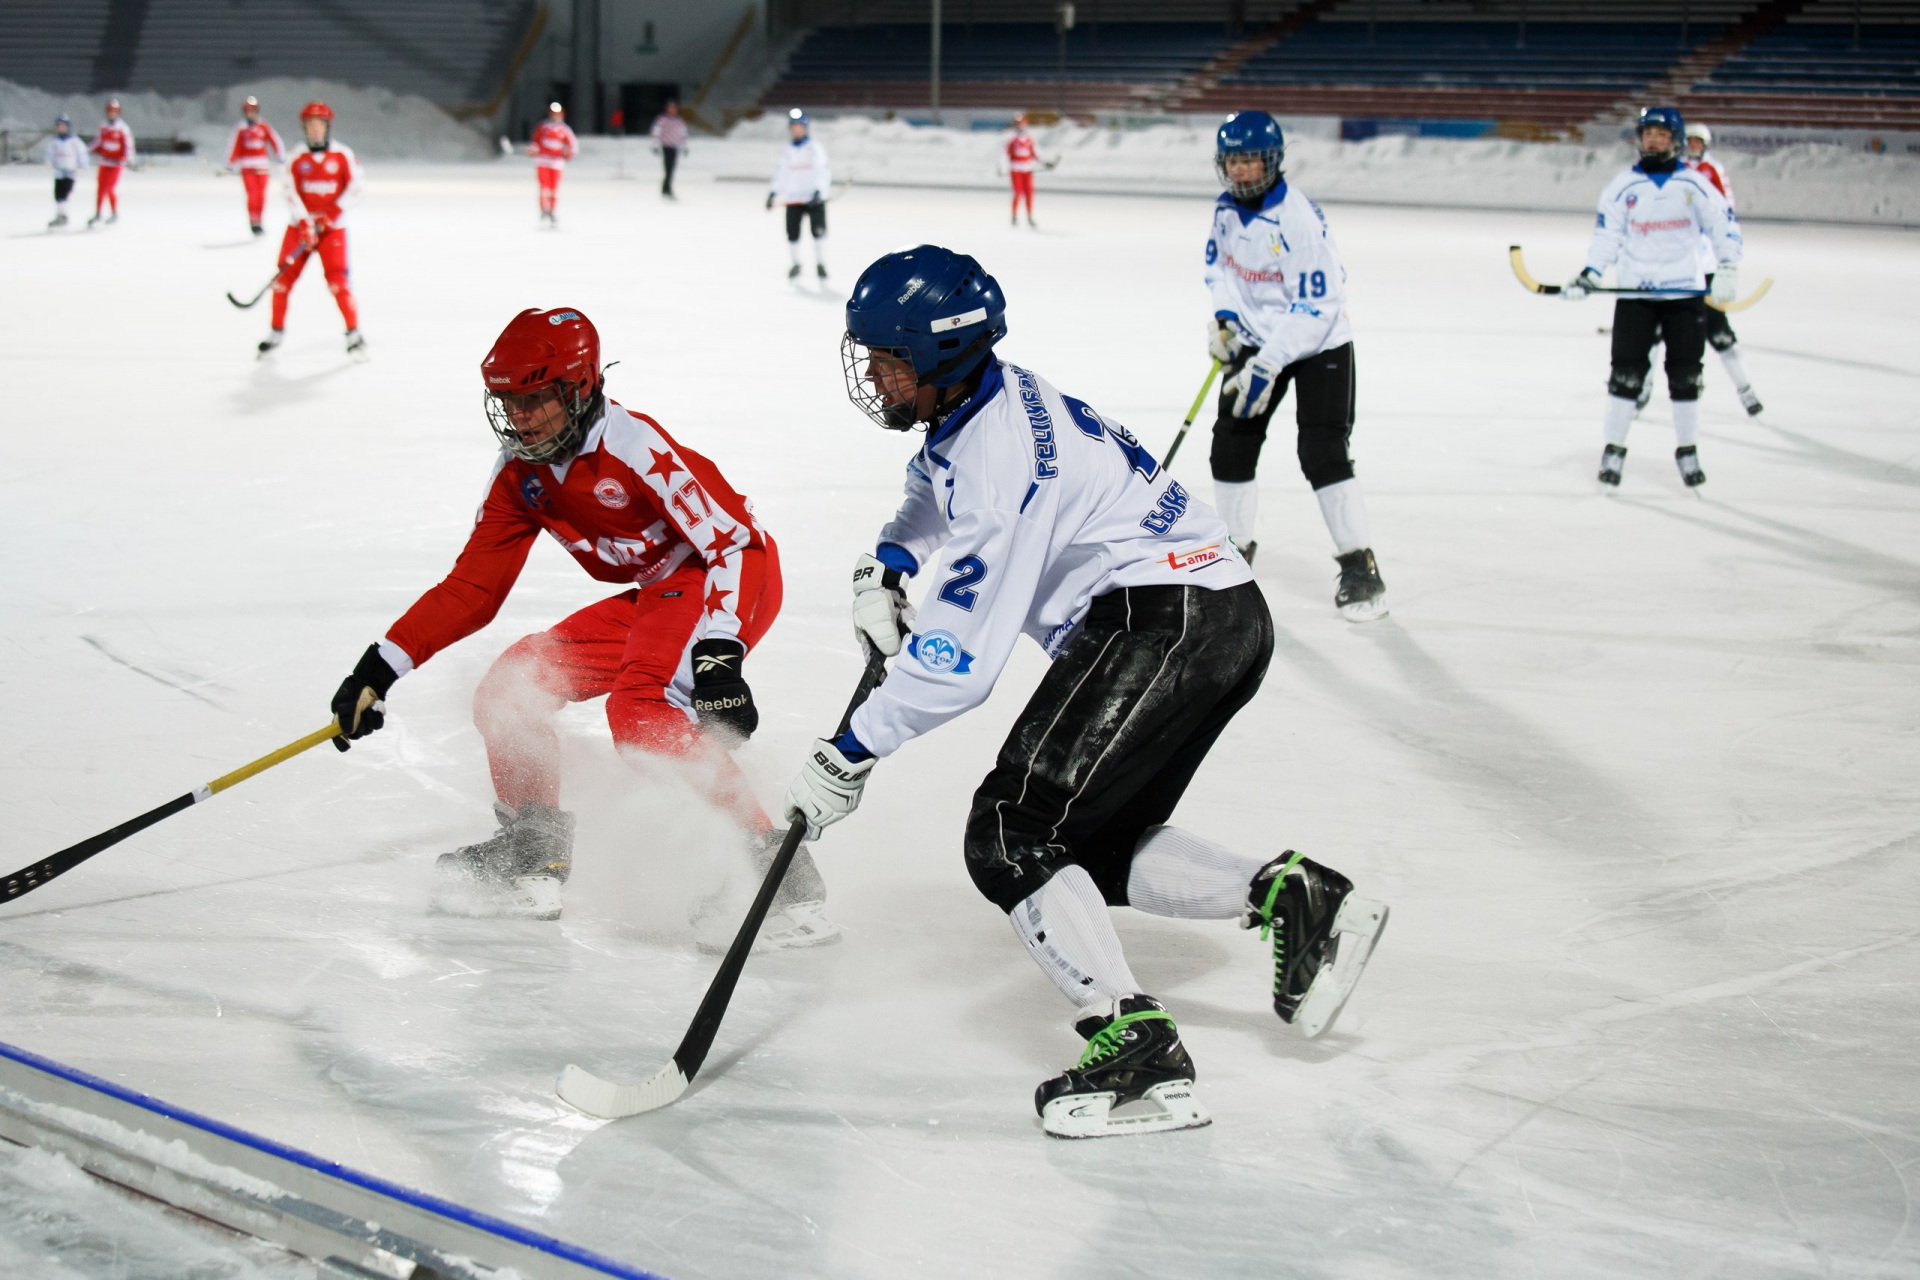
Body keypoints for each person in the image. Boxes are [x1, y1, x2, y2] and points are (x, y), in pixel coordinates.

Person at [780, 246, 1388, 1138]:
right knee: (1086, 849)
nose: (874, 376)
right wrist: (893, 559)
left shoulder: (1002, 460)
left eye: (890, 361)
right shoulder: (978, 400)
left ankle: (1136, 1050)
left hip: (1164, 621)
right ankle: (1296, 897)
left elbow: (958, 663)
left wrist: (850, 753)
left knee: (1010, 831)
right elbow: (930, 480)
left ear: (942, 358)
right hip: (1214, 616)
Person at [329, 308, 833, 945]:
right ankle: (531, 857)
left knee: (641, 712)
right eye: (509, 401)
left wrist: (719, 652)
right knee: (510, 686)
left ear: (581, 388)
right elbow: (474, 587)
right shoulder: (522, 473)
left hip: (725, 578)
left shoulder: (635, 448)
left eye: (537, 399)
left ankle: (778, 881)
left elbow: (735, 545)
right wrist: (378, 668)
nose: (520, 417)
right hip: (661, 591)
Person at [1202, 110, 1386, 621]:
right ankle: (1233, 554)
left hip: (1318, 343)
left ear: (1273, 162)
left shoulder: (1297, 220)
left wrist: (1269, 362)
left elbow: (1318, 307)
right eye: (1233, 161)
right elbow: (1219, 269)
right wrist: (1224, 321)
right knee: (1230, 446)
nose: (1241, 171)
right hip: (1258, 340)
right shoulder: (1224, 210)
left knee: (1322, 451)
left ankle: (1359, 565)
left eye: (1251, 161)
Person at [1565, 107, 1741, 489]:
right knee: (1625, 376)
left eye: (1662, 134)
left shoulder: (1694, 184)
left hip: (1685, 294)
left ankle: (1688, 449)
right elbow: (1607, 236)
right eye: (1648, 134)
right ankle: (1613, 448)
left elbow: (1723, 225)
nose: (1654, 140)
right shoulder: (1622, 186)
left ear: (1675, 140)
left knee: (1686, 376)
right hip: (1635, 294)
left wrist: (1727, 267)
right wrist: (1591, 273)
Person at [258, 101, 365, 358]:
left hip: (331, 231)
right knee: (282, 281)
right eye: (310, 125)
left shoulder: (343, 155)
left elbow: (356, 188)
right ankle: (276, 332)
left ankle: (354, 334)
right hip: (300, 230)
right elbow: (289, 190)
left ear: (327, 127)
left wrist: (331, 216)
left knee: (338, 283)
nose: (315, 130)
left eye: (319, 125)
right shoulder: (296, 156)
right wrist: (304, 221)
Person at [1686, 122, 1762, 416]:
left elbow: (1727, 212)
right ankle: (1643, 389)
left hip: (1706, 263)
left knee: (1718, 332)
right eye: (1689, 140)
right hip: (1678, 265)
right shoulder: (1676, 168)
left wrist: (1727, 262)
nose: (1693, 145)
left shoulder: (1713, 170)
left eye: (1697, 141)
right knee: (1664, 332)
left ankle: (1745, 388)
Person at [766, 108, 829, 280]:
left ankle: (820, 263)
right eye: (793, 126)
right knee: (792, 233)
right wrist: (774, 192)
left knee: (818, 232)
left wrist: (819, 191)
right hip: (794, 199)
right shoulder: (787, 150)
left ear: (805, 128)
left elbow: (823, 171)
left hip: (813, 199)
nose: (796, 130)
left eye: (799, 126)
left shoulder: (815, 148)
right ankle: (795, 263)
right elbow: (781, 174)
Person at [226, 96, 285, 236]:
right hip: (247, 167)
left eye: (252, 111)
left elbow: (275, 141)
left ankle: (260, 219)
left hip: (262, 166)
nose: (250, 114)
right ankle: (253, 220)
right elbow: (234, 146)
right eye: (248, 111)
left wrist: (281, 157)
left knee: (261, 195)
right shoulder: (241, 129)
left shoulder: (263, 126)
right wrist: (230, 162)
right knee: (252, 194)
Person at [528, 102, 578, 226]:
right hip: (543, 161)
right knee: (544, 187)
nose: (556, 117)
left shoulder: (565, 130)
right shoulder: (542, 127)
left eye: (558, 114)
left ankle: (552, 210)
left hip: (556, 163)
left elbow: (573, 147)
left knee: (553, 189)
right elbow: (535, 142)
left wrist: (567, 154)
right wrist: (533, 150)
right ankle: (544, 208)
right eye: (554, 114)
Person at [87, 99, 133, 227]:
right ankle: (98, 212)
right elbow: (98, 141)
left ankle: (114, 212)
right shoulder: (104, 127)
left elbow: (128, 145)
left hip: (116, 164)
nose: (112, 114)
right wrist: (88, 149)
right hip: (105, 162)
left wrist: (128, 158)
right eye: (110, 111)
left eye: (115, 111)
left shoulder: (122, 128)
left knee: (110, 188)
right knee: (100, 188)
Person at [44, 115, 87, 228]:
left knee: (64, 194)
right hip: (59, 172)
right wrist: (49, 161)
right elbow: (50, 154)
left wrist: (82, 165)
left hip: (70, 172)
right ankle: (60, 214)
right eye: (59, 126)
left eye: (63, 126)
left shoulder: (74, 141)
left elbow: (81, 153)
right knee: (57, 195)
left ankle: (63, 215)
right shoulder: (55, 142)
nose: (61, 128)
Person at [649, 100, 687, 200]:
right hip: (666, 146)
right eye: (671, 108)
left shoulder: (679, 120)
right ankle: (667, 189)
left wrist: (684, 146)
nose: (673, 110)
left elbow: (683, 133)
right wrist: (655, 144)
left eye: (674, 108)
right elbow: (656, 132)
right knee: (668, 169)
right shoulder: (662, 119)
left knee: (671, 169)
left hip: (675, 146)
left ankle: (666, 188)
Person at [1006, 113, 1038, 227]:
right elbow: (1005, 154)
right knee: (1018, 193)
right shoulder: (1012, 139)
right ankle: (1014, 216)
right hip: (1016, 170)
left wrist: (1044, 162)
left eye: (1022, 124)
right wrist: (1002, 166)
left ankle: (1029, 216)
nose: (1021, 126)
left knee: (1029, 193)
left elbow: (1034, 153)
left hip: (1027, 170)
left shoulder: (1029, 139)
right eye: (1019, 124)